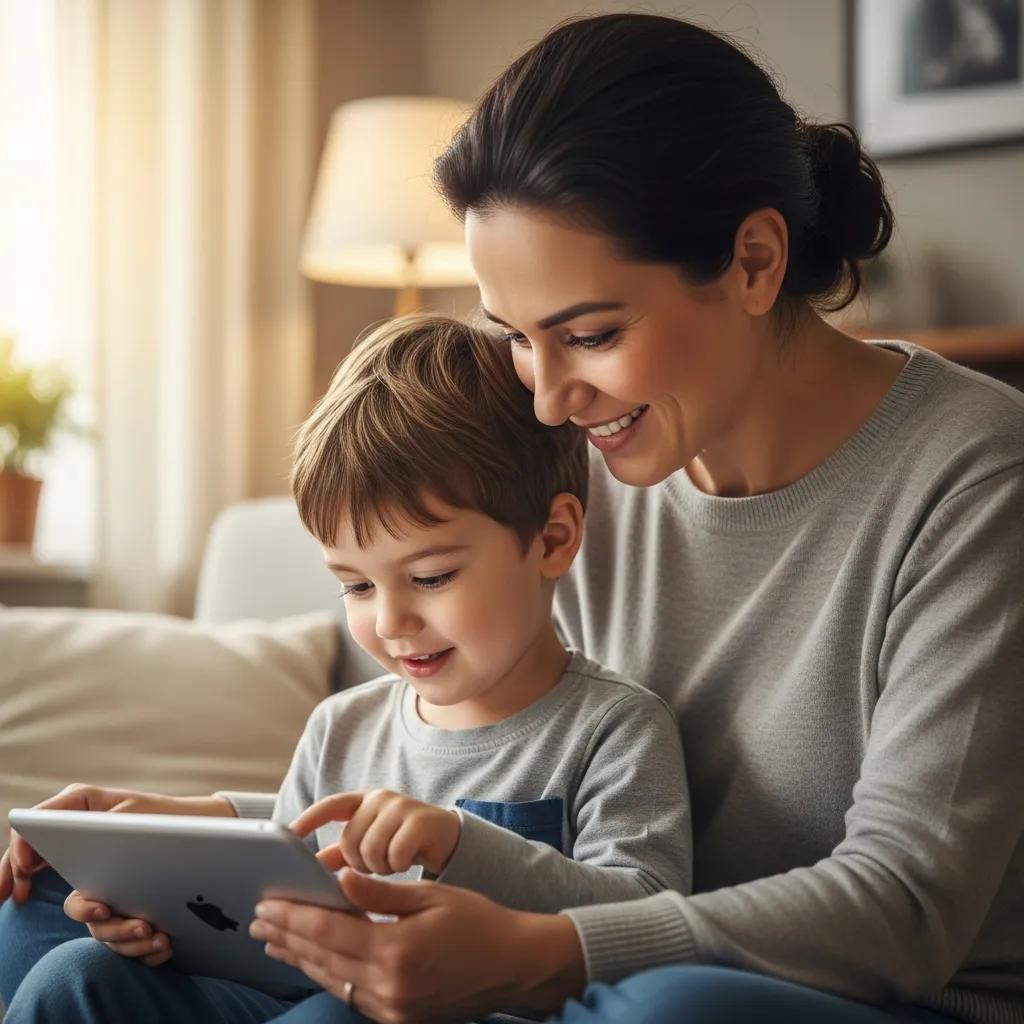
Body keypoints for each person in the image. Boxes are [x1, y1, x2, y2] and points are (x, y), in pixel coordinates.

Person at [2, 10, 1023, 1024]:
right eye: (517, 339)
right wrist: (196, 837)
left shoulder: (974, 475)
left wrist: (542, 956)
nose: (544, 398)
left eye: (587, 332)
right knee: (44, 932)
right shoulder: (586, 451)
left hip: (857, 996)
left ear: (754, 260)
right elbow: (464, 770)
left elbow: (905, 908)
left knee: (660, 1010)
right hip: (584, 954)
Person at [0, 315, 691, 1023]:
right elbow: (267, 919)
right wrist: (155, 925)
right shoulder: (340, 727)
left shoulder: (615, 727)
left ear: (552, 540)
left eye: (431, 577)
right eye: (357, 586)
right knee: (73, 969)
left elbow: (647, 919)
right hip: (293, 995)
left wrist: (461, 845)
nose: (390, 622)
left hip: (443, 1009)